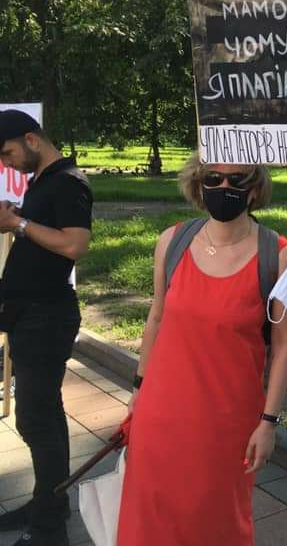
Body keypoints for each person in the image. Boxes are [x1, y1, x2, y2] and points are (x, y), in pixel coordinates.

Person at [116, 155, 287, 546]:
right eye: (212, 178)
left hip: (226, 426)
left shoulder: (279, 256)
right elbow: (156, 318)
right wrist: (137, 389)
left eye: (237, 179)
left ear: (254, 187)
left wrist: (269, 422)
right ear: (198, 184)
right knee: (149, 523)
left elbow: (285, 345)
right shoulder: (172, 241)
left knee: (216, 524)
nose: (223, 187)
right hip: (159, 415)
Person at [0, 110, 93, 546]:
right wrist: (20, 217)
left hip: (46, 318)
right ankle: (47, 502)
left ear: (31, 139)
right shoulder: (43, 180)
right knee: (45, 416)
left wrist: (17, 223)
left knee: (37, 420)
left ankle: (50, 528)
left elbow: (75, 244)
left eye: (8, 153)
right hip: (31, 316)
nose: (7, 163)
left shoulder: (68, 182)